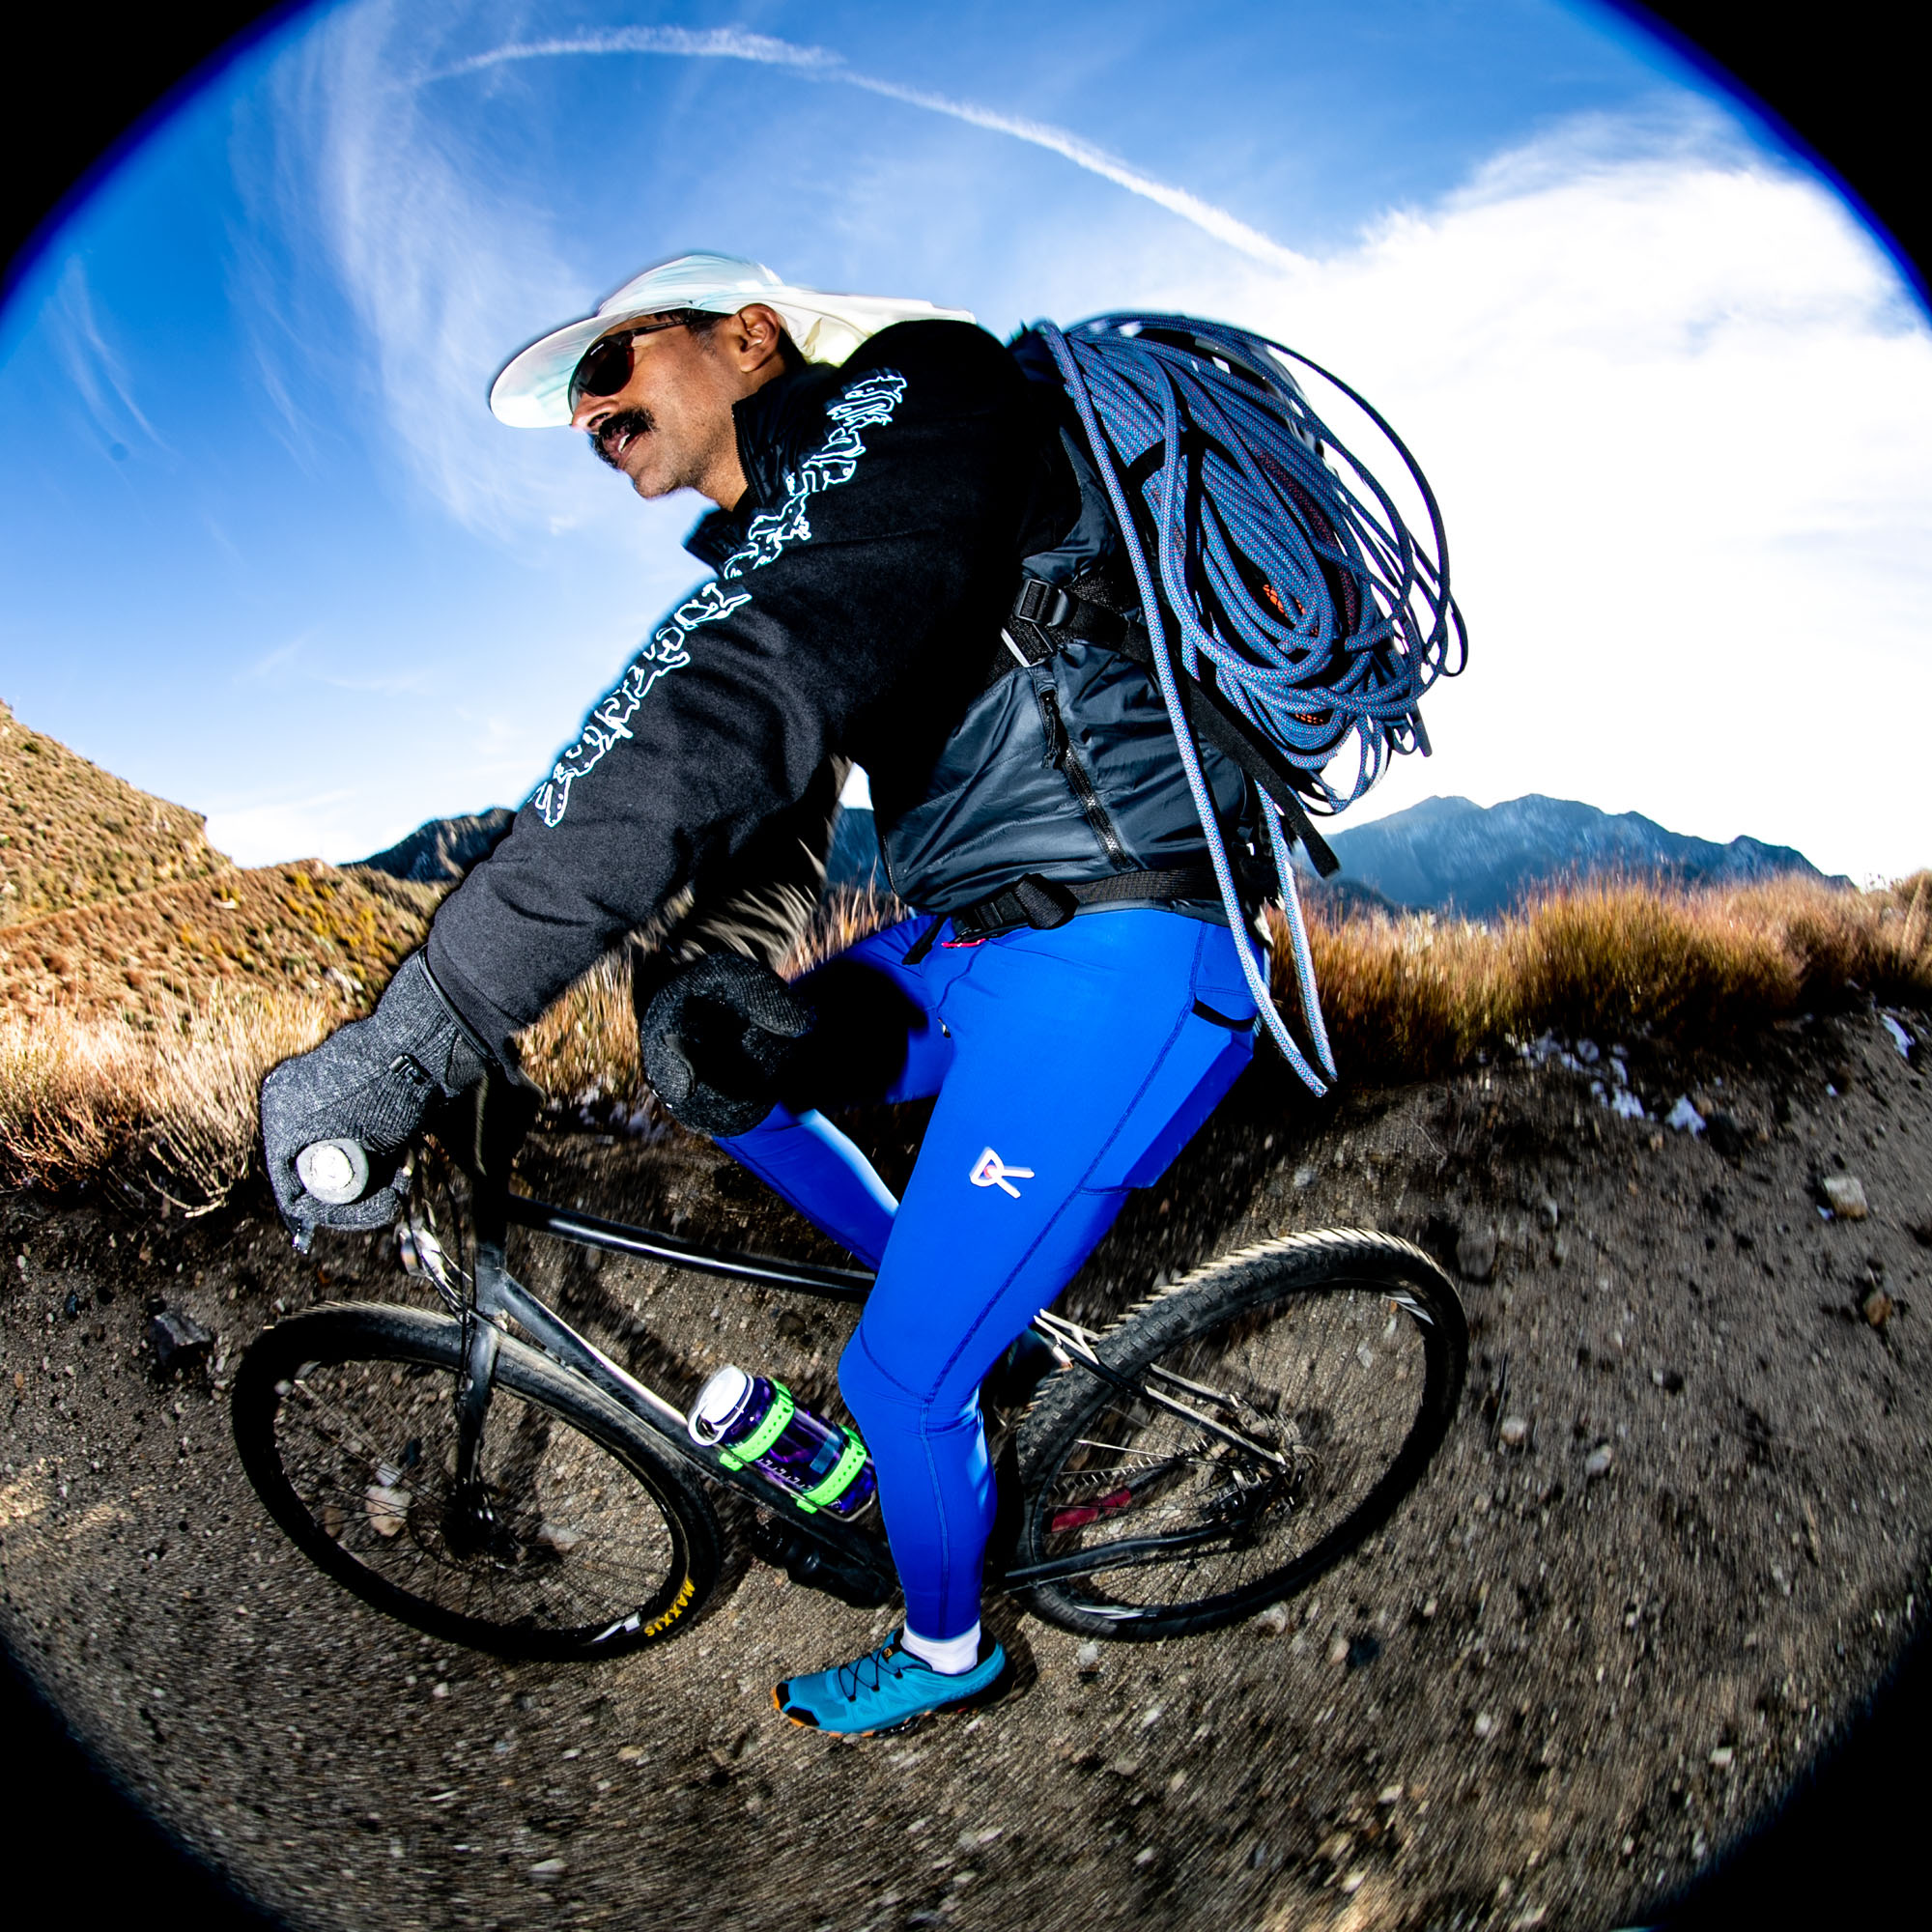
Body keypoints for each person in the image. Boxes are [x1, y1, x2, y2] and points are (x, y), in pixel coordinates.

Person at [261, 252, 1270, 1737]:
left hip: (1127, 957)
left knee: (896, 1385)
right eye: (581, 414)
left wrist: (425, 1028)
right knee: (723, 1078)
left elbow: (742, 689)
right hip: (981, 945)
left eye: (609, 368)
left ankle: (949, 1649)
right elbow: (776, 801)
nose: (595, 419)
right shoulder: (801, 533)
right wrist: (711, 973)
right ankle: (961, 1310)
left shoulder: (928, 388)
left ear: (746, 334)